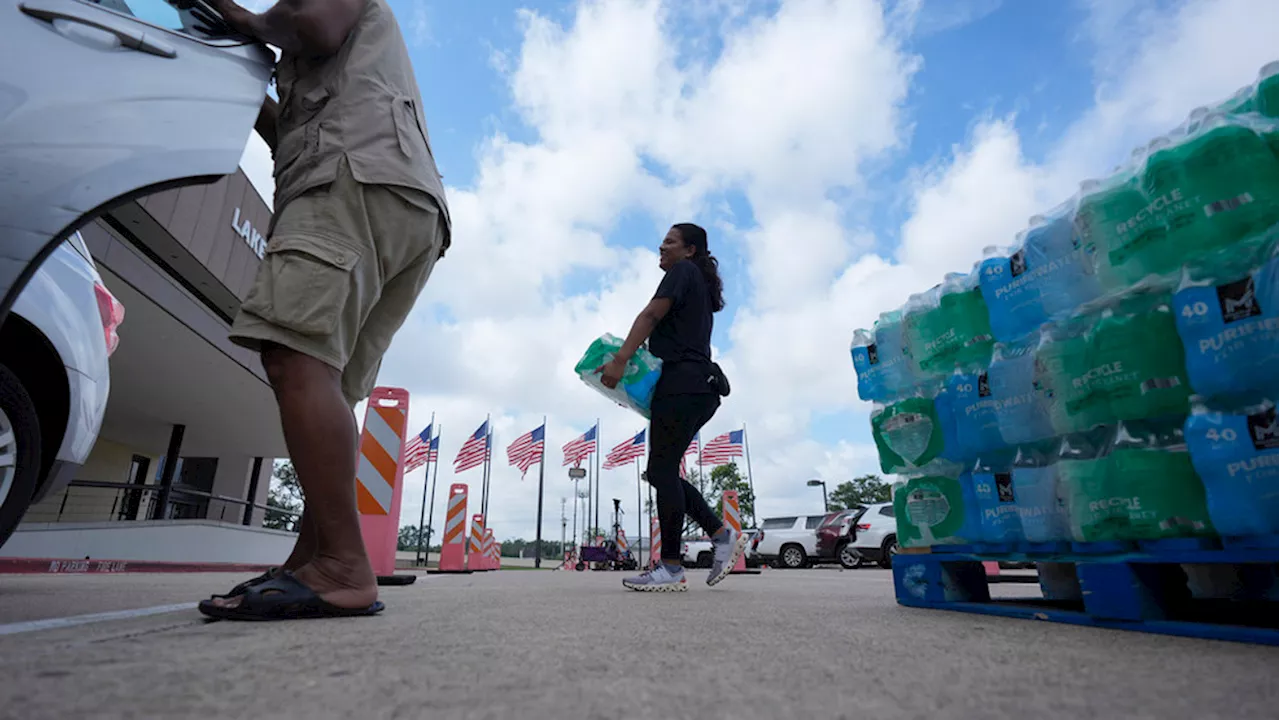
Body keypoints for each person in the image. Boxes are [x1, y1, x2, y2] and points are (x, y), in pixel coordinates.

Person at [199, 0, 451, 620]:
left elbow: (313, 21)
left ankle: (341, 565)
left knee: (295, 355)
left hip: (349, 181)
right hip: (403, 204)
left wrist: (248, 22)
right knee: (330, 382)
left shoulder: (311, 17)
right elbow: (288, 126)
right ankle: (310, 561)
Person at [597, 223, 747, 592]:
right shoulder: (697, 282)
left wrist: (619, 360)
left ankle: (672, 567)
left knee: (661, 472)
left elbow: (649, 317)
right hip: (699, 387)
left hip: (684, 385)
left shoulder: (683, 272)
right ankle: (720, 536)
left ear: (690, 250)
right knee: (663, 472)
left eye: (670, 242)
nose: (661, 247)